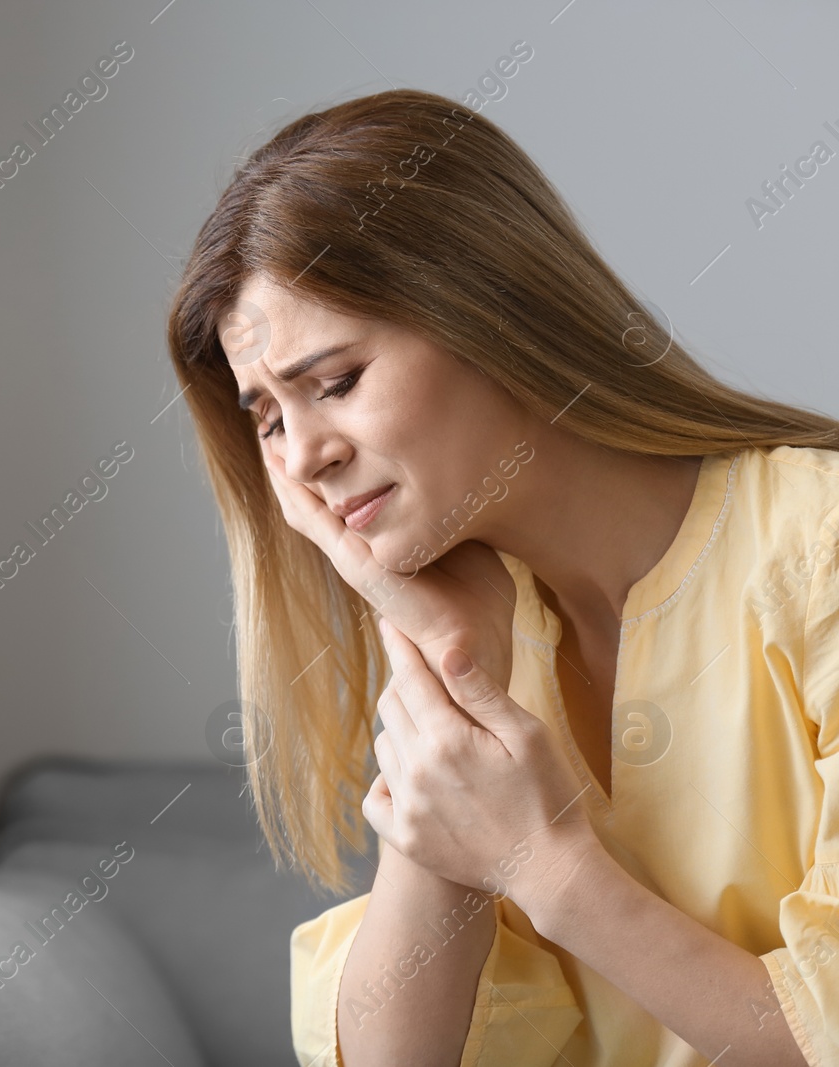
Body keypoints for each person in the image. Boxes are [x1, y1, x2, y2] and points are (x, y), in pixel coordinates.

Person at [164, 87, 839, 1066]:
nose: (302, 455)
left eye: (335, 381)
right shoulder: (488, 622)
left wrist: (542, 864)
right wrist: (444, 671)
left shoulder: (815, 545)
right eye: (268, 417)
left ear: (491, 309)